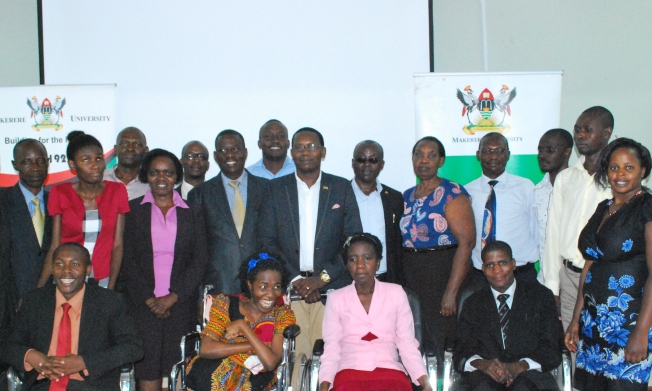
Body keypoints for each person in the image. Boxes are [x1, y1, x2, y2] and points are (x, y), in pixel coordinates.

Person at [259, 127, 362, 387]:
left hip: (332, 292)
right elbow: (267, 242)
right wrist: (296, 279)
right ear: (292, 153)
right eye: (300, 147)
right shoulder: (275, 189)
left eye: (312, 146)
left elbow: (352, 242)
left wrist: (322, 279)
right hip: (290, 292)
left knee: (331, 360)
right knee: (293, 361)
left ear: (323, 152)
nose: (306, 152)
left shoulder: (341, 188)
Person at [565, 138, 652, 389]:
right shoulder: (604, 207)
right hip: (593, 325)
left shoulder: (647, 207)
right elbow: (590, 264)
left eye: (629, 167)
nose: (620, 174)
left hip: (627, 325)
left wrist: (640, 333)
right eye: (614, 168)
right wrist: (576, 318)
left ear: (643, 171)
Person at [121, 149, 209, 391]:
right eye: (154, 172)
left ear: (177, 177)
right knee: (147, 370)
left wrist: (173, 297)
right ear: (146, 176)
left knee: (178, 370)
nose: (161, 178)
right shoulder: (132, 210)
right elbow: (126, 259)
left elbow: (200, 259)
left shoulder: (193, 212)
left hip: (180, 305)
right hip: (143, 306)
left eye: (168, 173)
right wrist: (150, 299)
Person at [3, 242, 143, 391]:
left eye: (75, 265)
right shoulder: (34, 301)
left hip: (90, 385)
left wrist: (85, 362)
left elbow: (133, 348)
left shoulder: (109, 302)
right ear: (52, 268)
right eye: (59, 264)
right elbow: (7, 345)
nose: (66, 271)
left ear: (87, 269)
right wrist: (31, 356)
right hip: (42, 385)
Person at [319, 233, 432, 391]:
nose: (360, 265)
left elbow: (407, 344)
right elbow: (332, 348)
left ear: (378, 263)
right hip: (349, 373)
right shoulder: (336, 298)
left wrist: (425, 381)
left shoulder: (396, 293)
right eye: (353, 259)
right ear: (346, 264)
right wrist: (324, 385)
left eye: (367, 258)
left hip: (390, 372)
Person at [400, 136, 475, 360]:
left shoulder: (452, 192)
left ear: (441, 161)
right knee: (413, 333)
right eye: (418, 155)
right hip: (412, 273)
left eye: (431, 156)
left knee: (440, 336)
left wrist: (451, 292)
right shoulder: (406, 196)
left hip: (442, 272)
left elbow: (467, 243)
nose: (424, 161)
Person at [542, 106, 613, 333]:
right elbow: (553, 233)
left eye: (588, 130)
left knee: (603, 341)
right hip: (569, 276)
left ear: (606, 133)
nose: (580, 135)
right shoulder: (565, 178)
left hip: (604, 274)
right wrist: (552, 286)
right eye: (577, 129)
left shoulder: (616, 178)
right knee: (572, 344)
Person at [454, 241, 562, 391]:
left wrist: (519, 366)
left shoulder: (541, 297)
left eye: (502, 263)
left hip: (530, 374)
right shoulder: (473, 303)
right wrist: (483, 365)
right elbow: (460, 352)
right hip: (485, 376)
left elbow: (552, 349)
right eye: (490, 265)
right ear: (483, 269)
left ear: (513, 264)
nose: (497, 270)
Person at [185, 253, 296, 391]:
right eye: (263, 287)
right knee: (211, 378)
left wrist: (242, 326)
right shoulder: (225, 304)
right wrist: (253, 346)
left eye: (277, 286)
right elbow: (206, 349)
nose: (271, 294)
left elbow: (270, 362)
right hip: (213, 367)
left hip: (257, 374)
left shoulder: (283, 315)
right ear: (250, 284)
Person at [39, 131, 130, 289]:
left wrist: (111, 287)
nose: (95, 165)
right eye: (86, 160)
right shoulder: (60, 193)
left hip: (103, 279)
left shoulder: (117, 191)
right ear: (73, 165)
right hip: (67, 278)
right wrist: (38, 290)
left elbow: (117, 245)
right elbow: (55, 245)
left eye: (98, 158)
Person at [188, 129, 270, 294]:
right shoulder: (200, 194)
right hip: (218, 286)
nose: (230, 155)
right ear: (216, 156)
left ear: (245, 153)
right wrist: (198, 295)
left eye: (235, 149)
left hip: (262, 285)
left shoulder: (267, 189)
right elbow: (195, 249)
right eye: (223, 151)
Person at [466, 133, 538, 285]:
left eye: (500, 151)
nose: (493, 156)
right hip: (481, 275)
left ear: (508, 155)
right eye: (487, 151)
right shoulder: (467, 192)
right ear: (478, 155)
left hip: (521, 273)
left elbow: (536, 230)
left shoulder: (526, 187)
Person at [0, 139, 52, 306]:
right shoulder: (3, 201)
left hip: (51, 301)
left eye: (40, 161)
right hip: (9, 303)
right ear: (15, 165)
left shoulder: (59, 203)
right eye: (26, 162)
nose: (35, 168)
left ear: (48, 162)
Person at [350, 140, 404, 284]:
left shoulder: (394, 198)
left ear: (382, 164)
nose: (367, 164)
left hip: (387, 279)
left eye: (373, 160)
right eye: (361, 159)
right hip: (348, 280)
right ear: (353, 163)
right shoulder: (340, 195)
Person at [534, 129, 573, 268]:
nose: (542, 156)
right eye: (540, 150)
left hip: (572, 275)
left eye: (550, 150)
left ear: (567, 152)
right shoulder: (536, 191)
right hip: (544, 277)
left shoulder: (579, 188)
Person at [104, 126, 150, 200]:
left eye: (137, 144)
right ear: (115, 149)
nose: (130, 148)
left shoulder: (153, 183)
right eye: (124, 144)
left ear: (146, 151)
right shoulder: (99, 179)